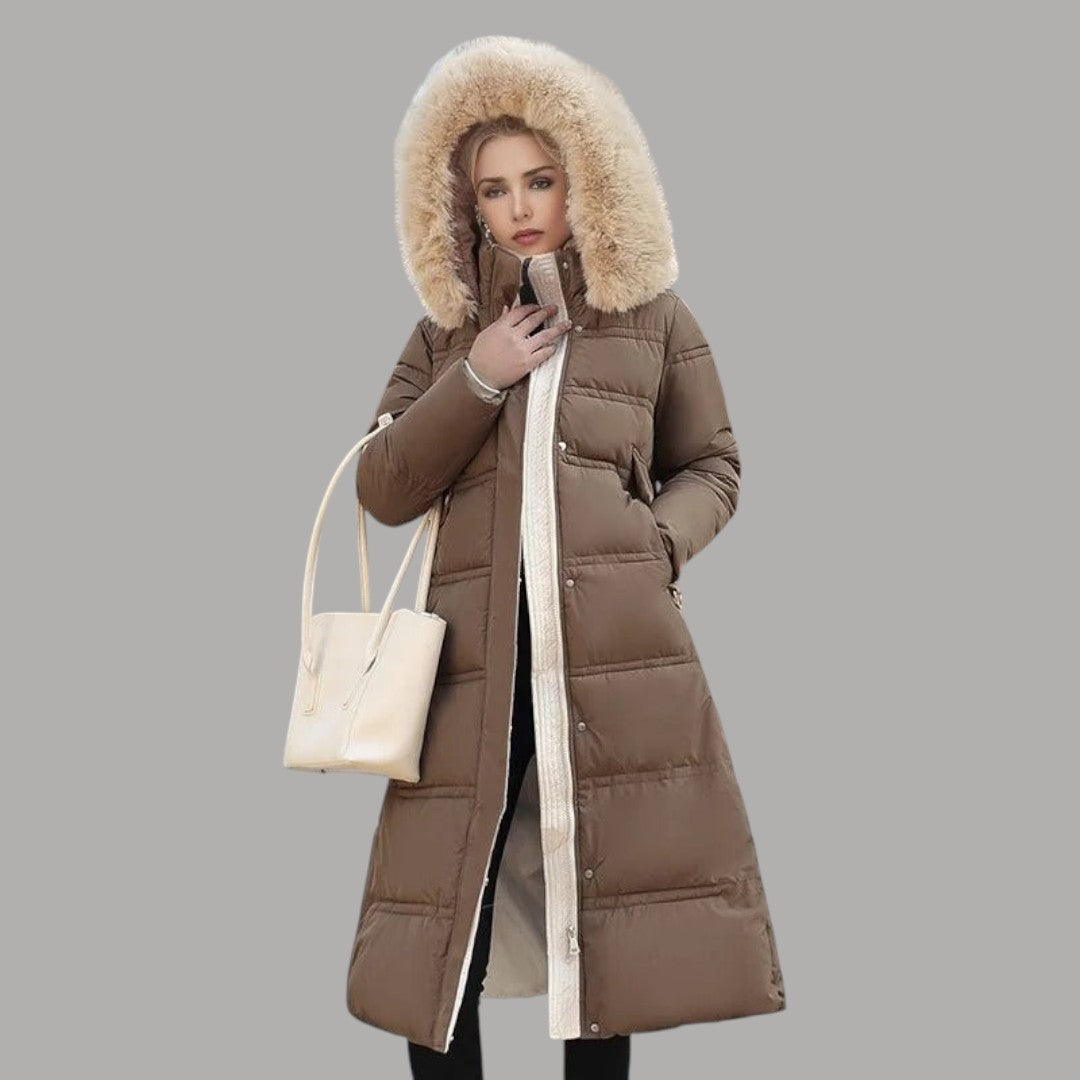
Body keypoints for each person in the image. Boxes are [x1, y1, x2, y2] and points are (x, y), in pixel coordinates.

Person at [347, 36, 786, 1077]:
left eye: (540, 179)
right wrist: (481, 376)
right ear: (463, 206)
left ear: (587, 175)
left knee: (608, 903)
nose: (521, 207)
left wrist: (654, 545)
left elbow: (714, 464)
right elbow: (382, 487)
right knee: (449, 910)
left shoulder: (652, 319)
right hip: (470, 670)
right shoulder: (444, 335)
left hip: (613, 657)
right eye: (493, 189)